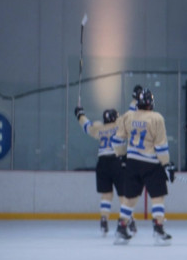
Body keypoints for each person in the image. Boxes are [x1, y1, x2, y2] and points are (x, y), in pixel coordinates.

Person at [110, 88, 176, 246]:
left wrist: (121, 156)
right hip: (151, 164)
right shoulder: (156, 118)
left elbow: (117, 140)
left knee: (129, 198)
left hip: (133, 163)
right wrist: (166, 164)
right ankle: (158, 229)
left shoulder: (128, 116)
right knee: (158, 197)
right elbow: (160, 145)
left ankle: (121, 227)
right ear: (151, 103)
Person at [74, 106, 123, 236]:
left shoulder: (99, 128)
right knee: (124, 194)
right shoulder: (119, 126)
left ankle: (104, 219)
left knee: (106, 195)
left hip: (102, 163)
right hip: (116, 161)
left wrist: (80, 115)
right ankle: (128, 220)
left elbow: (86, 126)